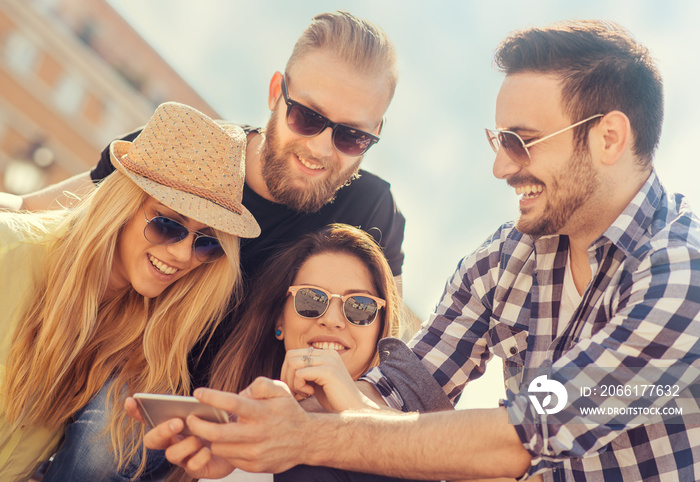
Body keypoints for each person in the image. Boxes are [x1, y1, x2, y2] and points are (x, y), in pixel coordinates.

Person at [142, 19, 700, 481]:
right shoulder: (508, 259)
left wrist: (303, 437)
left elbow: (528, 434)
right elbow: (400, 393)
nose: (501, 167)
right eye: (498, 141)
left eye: (521, 142)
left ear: (608, 137)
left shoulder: (682, 272)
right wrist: (247, 435)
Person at [10, 10, 408, 480]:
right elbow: (40, 213)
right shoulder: (195, 156)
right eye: (307, 117)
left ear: (375, 132)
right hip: (137, 378)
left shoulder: (371, 208)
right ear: (276, 92)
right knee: (105, 447)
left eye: (353, 135)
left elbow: (387, 353)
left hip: (258, 416)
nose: (322, 149)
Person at [0, 101, 260, 481]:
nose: (184, 254)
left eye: (207, 243)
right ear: (122, 204)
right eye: (168, 225)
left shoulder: (136, 344)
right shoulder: (9, 252)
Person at [135, 223, 412, 481]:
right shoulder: (237, 431)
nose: (332, 319)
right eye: (310, 298)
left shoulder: (414, 434)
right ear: (280, 321)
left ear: (380, 328)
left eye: (359, 306)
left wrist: (356, 409)